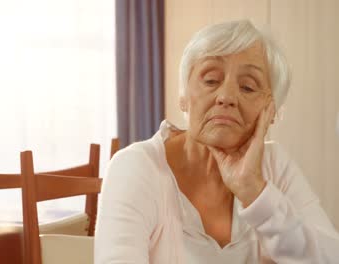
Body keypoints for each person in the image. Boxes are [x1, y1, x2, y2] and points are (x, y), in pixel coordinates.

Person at [95, 20, 339, 263]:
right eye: (211, 80)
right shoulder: (136, 167)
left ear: (271, 110)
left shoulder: (276, 166)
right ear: (183, 96)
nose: (226, 97)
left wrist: (255, 192)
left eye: (248, 87)